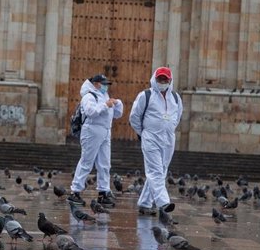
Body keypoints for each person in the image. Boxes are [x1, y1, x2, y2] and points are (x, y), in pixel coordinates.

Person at [129, 67, 183, 215]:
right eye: (160, 79)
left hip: (168, 139)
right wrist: (144, 133)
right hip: (151, 137)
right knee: (155, 171)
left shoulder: (176, 98)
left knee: (162, 170)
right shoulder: (146, 96)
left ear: (170, 80)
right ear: (155, 79)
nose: (163, 82)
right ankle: (163, 202)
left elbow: (177, 117)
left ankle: (145, 203)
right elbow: (134, 117)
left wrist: (167, 128)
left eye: (165, 79)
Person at [68, 74, 123, 207]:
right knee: (87, 161)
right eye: (103, 84)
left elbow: (117, 114)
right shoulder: (89, 96)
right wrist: (105, 105)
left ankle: (103, 192)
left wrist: (117, 103)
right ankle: (75, 191)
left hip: (105, 131)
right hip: (92, 130)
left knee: (104, 163)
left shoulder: (105, 96)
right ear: (96, 84)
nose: (105, 86)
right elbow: (90, 112)